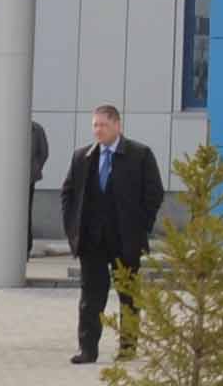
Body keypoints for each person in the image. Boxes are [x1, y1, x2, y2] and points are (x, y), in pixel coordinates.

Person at [61, 102, 164, 366]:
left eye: (103, 125)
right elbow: (68, 194)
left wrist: (141, 227)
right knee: (90, 298)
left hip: (125, 240)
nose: (98, 130)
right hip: (92, 241)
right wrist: (73, 230)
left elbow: (154, 193)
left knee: (128, 296)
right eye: (95, 125)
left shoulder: (140, 155)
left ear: (117, 125)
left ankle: (128, 348)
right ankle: (87, 349)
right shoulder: (82, 156)